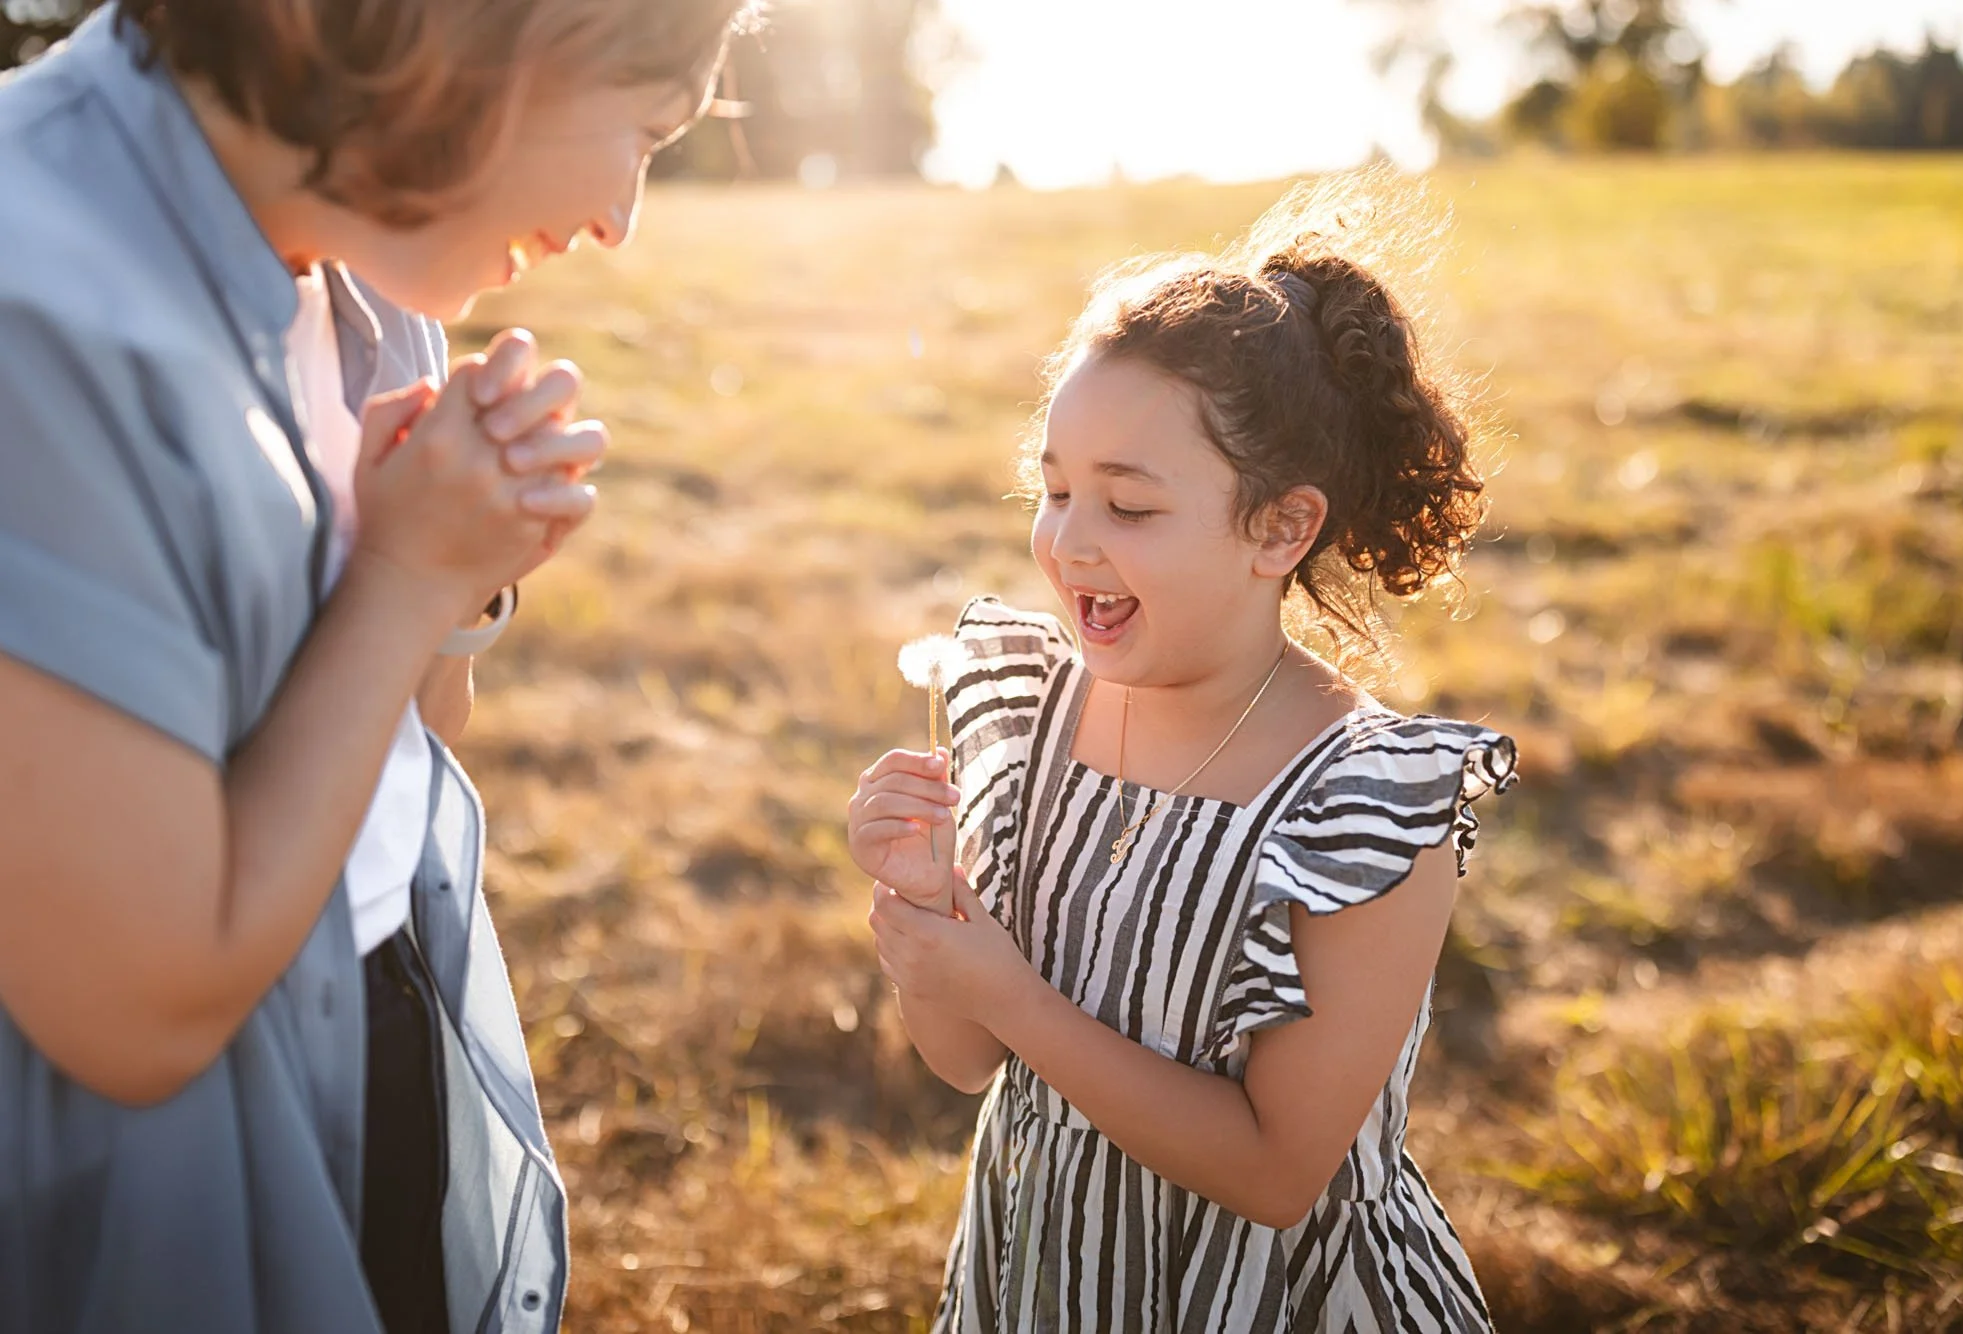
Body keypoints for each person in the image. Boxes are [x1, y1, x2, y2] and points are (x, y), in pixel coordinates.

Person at [0, 1, 750, 1330]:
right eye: (642, 130)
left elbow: (418, 729)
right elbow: (141, 1011)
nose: (619, 218)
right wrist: (409, 578)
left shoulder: (365, 286)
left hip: (385, 1008)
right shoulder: (34, 304)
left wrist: (464, 573)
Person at [848, 177, 1517, 1333]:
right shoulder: (1022, 713)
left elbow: (1275, 1171)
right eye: (1052, 489)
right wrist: (927, 905)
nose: (1067, 542)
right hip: (1044, 1285)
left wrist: (1005, 985)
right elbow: (963, 1057)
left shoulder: (1361, 806)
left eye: (1129, 507)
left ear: (1279, 527)